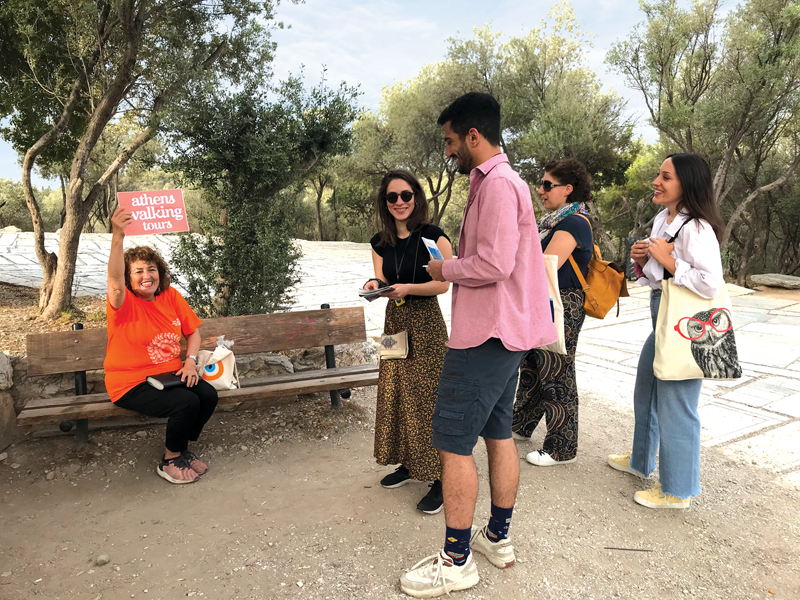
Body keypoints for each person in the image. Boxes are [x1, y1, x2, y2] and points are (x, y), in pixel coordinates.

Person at [399, 93, 556, 598]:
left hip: (485, 335)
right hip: (504, 333)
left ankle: (456, 560)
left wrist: (445, 268)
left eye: (449, 141)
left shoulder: (498, 185)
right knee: (499, 432)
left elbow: (493, 265)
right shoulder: (500, 183)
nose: (448, 152)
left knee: (451, 443)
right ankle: (498, 538)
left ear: (472, 135)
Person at [607, 153, 725, 509]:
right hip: (663, 313)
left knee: (678, 405)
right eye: (658, 175)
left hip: (687, 322)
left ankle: (678, 490)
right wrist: (644, 261)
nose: (657, 182)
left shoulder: (696, 227)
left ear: (686, 184)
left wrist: (668, 259)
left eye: (666, 177)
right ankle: (641, 461)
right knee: (647, 390)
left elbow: (710, 283)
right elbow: (658, 277)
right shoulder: (664, 218)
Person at [104, 207, 218, 484]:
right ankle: (169, 461)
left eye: (151, 269)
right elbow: (115, 282)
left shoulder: (170, 296)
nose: (146, 275)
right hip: (130, 382)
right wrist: (118, 234)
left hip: (169, 376)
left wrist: (190, 361)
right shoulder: (123, 302)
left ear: (160, 272)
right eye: (138, 271)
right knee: (186, 402)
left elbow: (194, 333)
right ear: (130, 278)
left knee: (207, 395)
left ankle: (181, 450)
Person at [363, 170, 453, 514]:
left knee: (428, 396)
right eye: (392, 197)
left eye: (406, 195)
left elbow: (444, 283)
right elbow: (383, 279)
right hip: (394, 322)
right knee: (395, 390)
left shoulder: (432, 237)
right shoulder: (379, 241)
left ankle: (442, 476)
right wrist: (374, 285)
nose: (399, 202)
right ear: (384, 202)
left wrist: (409, 289)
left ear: (416, 196)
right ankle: (409, 462)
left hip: (426, 322)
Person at [511, 158, 593, 466]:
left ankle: (562, 447)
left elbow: (546, 264)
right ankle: (520, 425)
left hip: (563, 304)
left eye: (547, 185)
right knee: (534, 364)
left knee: (557, 369)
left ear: (567, 190)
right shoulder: (553, 222)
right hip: (545, 301)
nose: (541, 190)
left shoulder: (574, 223)